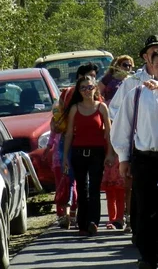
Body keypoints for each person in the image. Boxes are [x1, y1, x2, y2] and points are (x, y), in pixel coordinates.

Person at [111, 49, 158, 269]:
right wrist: (123, 158)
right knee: (145, 209)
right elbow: (122, 125)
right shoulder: (137, 92)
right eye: (157, 64)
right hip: (144, 158)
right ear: (150, 66)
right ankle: (147, 257)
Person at [62, 76, 114, 236]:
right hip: (78, 152)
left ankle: (93, 222)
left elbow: (108, 132)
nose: (86, 90)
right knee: (82, 189)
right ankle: (82, 224)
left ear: (95, 89)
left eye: (89, 87)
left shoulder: (102, 107)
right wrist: (65, 156)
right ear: (79, 91)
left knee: (94, 189)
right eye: (83, 88)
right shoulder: (75, 109)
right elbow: (69, 133)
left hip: (97, 153)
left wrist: (110, 153)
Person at [48, 63, 99, 229]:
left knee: (78, 181)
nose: (92, 80)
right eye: (90, 76)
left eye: (93, 77)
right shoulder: (72, 95)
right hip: (72, 142)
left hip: (89, 144)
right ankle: (74, 216)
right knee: (77, 181)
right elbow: (62, 123)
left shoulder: (95, 99)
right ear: (80, 78)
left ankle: (79, 217)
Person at [98, 55, 133, 230]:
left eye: (130, 65)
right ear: (117, 65)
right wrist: (108, 105)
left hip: (127, 120)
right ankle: (119, 215)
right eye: (125, 65)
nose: (127, 68)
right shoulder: (108, 79)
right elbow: (98, 93)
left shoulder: (131, 81)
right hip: (111, 118)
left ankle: (127, 213)